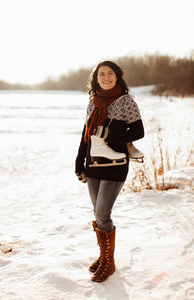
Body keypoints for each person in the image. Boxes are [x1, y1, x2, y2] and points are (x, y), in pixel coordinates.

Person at [75, 61, 144, 282]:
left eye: (110, 73)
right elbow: (86, 135)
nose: (105, 77)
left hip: (115, 164)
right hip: (93, 163)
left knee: (102, 214)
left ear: (117, 76)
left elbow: (138, 130)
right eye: (101, 74)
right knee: (98, 213)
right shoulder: (93, 102)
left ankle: (109, 263)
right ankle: (104, 257)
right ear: (95, 79)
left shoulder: (126, 102)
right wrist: (79, 162)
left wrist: (109, 136)